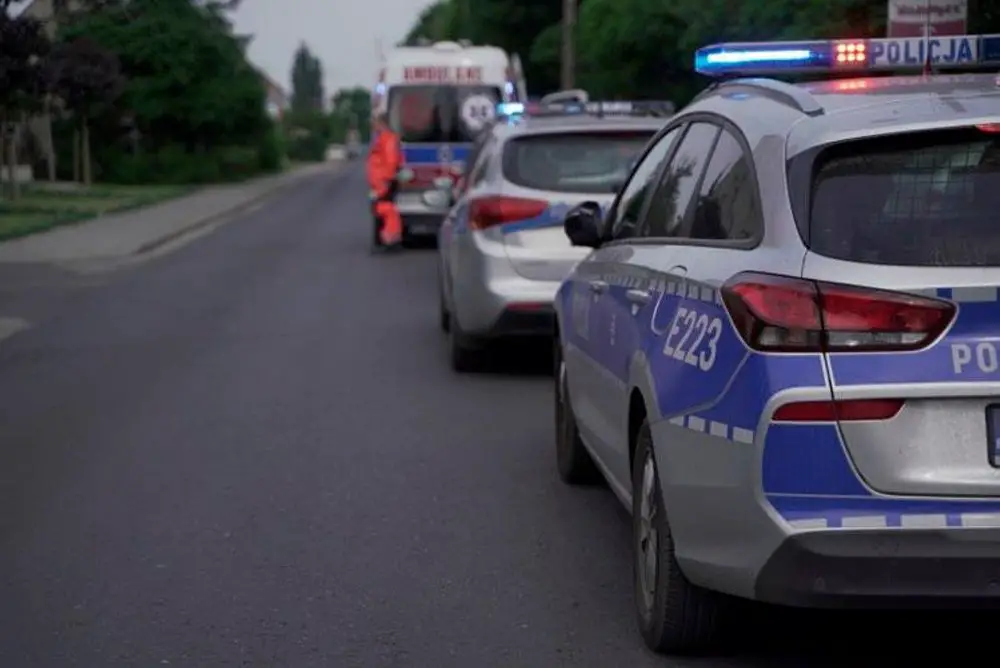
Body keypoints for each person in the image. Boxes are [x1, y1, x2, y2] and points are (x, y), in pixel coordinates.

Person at [367, 112, 404, 251]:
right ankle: (387, 239)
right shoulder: (383, 138)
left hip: (384, 182)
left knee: (384, 208)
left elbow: (391, 161)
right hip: (380, 182)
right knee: (383, 209)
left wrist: (387, 180)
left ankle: (389, 239)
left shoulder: (387, 139)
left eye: (375, 123)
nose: (373, 126)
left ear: (382, 123)